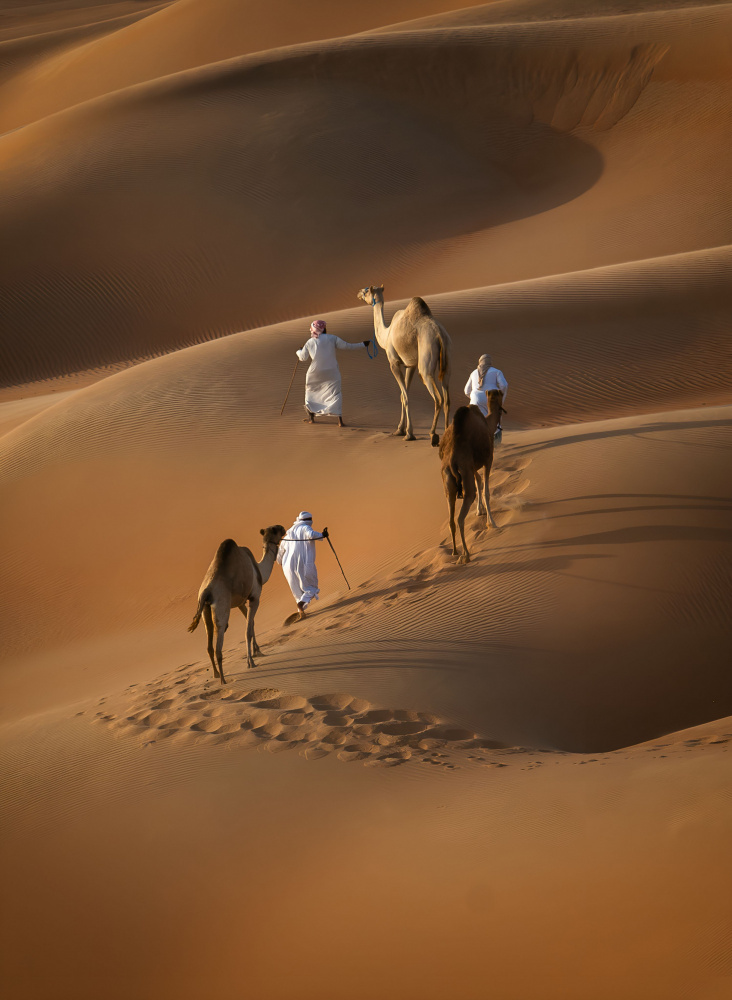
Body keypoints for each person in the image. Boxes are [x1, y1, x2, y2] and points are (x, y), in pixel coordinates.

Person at [297, 320, 370, 427]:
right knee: (335, 394)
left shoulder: (310, 341)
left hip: (315, 372)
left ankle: (311, 418)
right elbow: (348, 346)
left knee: (310, 394)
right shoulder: (333, 338)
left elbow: (303, 358)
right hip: (332, 371)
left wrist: (298, 351)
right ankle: (340, 421)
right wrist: (363, 344)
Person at [277, 511, 328, 619]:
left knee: (296, 590)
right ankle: (301, 605)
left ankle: (301, 611)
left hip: (287, 567)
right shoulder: (305, 528)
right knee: (310, 586)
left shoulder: (290, 532)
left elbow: (280, 551)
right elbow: (311, 534)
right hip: (302, 564)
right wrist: (322, 535)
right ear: (309, 520)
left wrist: (280, 561)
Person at [464, 353, 508, 443]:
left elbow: (466, 391)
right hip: (491, 399)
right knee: (495, 421)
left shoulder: (473, 373)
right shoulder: (496, 371)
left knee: (477, 422)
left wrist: (473, 397)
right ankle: (496, 444)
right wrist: (500, 398)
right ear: (490, 362)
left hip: (475, 400)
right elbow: (504, 385)